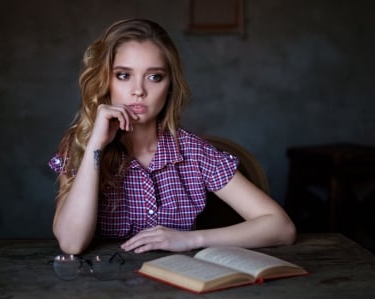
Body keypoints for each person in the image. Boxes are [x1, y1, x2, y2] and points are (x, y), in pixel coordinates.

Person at [49, 19, 296, 255]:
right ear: (106, 81)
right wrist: (96, 145)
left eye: (154, 76)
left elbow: (281, 227)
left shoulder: (193, 152)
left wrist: (190, 239)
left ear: (169, 87)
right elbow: (72, 243)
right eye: (123, 75)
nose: (138, 91)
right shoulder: (81, 145)